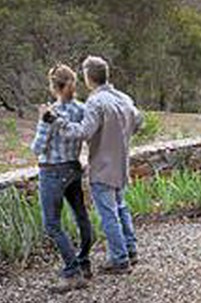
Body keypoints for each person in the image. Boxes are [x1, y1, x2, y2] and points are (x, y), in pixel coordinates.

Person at [51, 56, 143, 274]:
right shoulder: (124, 98)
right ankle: (131, 250)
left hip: (102, 165)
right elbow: (139, 121)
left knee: (108, 213)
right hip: (121, 164)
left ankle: (119, 260)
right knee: (121, 207)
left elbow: (84, 132)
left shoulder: (96, 102)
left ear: (87, 77)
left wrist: (57, 122)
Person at [31, 64, 93, 293]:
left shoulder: (51, 114)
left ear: (53, 86)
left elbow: (37, 148)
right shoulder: (82, 109)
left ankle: (72, 271)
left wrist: (42, 120)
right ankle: (84, 262)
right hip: (73, 167)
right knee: (81, 215)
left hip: (52, 171)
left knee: (52, 224)